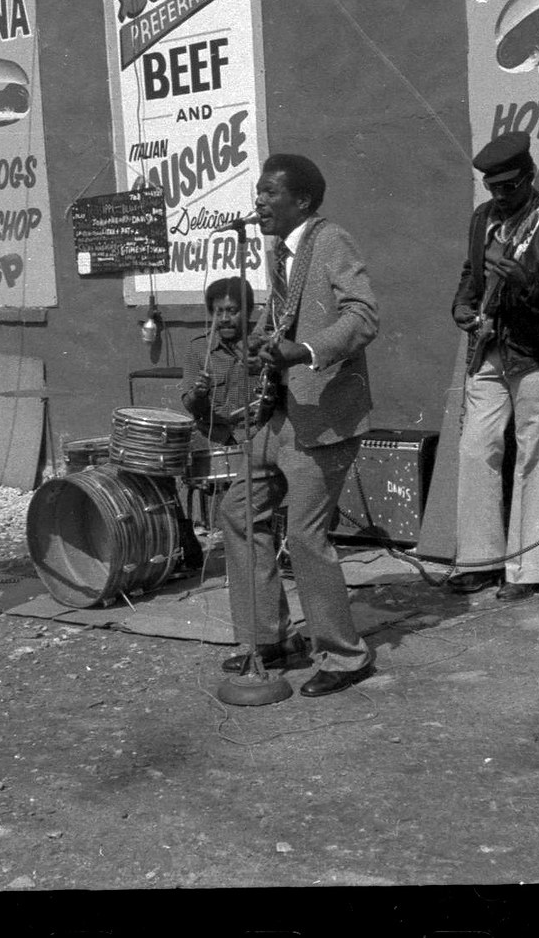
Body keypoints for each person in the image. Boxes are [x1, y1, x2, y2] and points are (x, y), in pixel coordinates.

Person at [218, 153, 379, 697]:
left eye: (269, 194)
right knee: (239, 511)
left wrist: (304, 350)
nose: (258, 202)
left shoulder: (332, 241)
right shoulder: (280, 252)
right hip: (280, 415)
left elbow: (363, 315)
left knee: (304, 535)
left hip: (323, 417)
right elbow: (290, 313)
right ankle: (268, 637)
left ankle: (344, 656)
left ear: (302, 202)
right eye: (258, 193)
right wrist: (264, 338)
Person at [448, 131, 539, 600]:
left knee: (532, 458)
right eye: (493, 187)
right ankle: (480, 561)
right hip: (490, 349)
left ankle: (528, 571)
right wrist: (463, 308)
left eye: (509, 186)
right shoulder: (482, 219)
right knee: (475, 450)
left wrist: (528, 278)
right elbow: (472, 273)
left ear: (530, 178)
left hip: (537, 356)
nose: (501, 196)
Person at [180, 276, 259, 446]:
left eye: (232, 311)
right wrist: (197, 393)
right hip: (210, 438)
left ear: (248, 311)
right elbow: (190, 405)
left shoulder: (263, 347)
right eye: (218, 312)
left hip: (255, 439)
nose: (224, 318)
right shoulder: (199, 348)